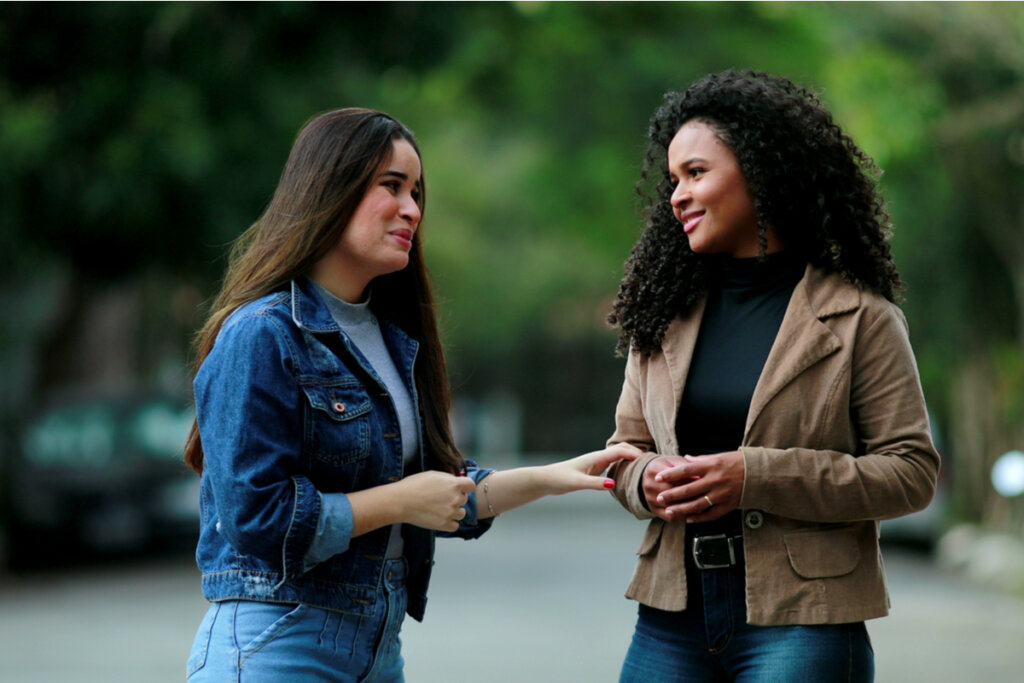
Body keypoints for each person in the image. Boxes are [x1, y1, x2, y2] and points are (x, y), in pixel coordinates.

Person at [182, 107, 638, 682]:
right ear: (331, 187)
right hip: (279, 643)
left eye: (417, 192)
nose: (413, 210)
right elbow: (258, 517)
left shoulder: (391, 338)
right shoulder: (263, 332)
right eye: (392, 186)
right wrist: (401, 500)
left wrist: (554, 477)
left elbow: (438, 489)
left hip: (377, 649)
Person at [604, 70, 940, 682]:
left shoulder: (861, 317)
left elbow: (911, 474)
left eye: (697, 173)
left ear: (760, 172)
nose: (677, 195)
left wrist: (756, 475)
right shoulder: (660, 311)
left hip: (804, 621)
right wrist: (645, 479)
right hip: (669, 615)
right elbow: (624, 452)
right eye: (672, 180)